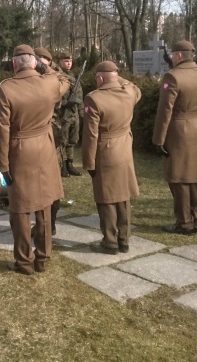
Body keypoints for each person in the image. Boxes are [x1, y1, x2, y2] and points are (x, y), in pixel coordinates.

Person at [0, 45, 70, 275]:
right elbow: (63, 78)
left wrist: (2, 165)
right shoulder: (49, 84)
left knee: (19, 208)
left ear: (15, 63)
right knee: (44, 204)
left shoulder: (6, 88)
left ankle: (24, 261)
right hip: (45, 147)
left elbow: (2, 130)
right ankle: (43, 258)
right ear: (35, 62)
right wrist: (46, 67)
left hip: (20, 150)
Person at [82, 61, 141, 254]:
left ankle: (110, 242)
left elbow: (91, 135)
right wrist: (116, 77)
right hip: (124, 148)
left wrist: (89, 162)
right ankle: (124, 239)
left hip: (105, 150)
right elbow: (134, 86)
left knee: (106, 197)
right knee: (123, 196)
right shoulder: (129, 93)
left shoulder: (94, 99)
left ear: (99, 78)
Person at [152, 40, 197, 235]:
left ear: (177, 55)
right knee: (194, 176)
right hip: (196, 126)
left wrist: (159, 139)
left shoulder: (172, 77)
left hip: (179, 129)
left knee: (178, 177)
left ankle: (184, 222)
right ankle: (195, 217)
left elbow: (164, 111)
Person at [34, 47, 73, 235]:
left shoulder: (54, 79)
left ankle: (50, 223)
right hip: (34, 137)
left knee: (52, 182)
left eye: (42, 59)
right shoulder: (33, 79)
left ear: (49, 62)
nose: (38, 62)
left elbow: (64, 85)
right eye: (35, 59)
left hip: (53, 135)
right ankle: (41, 222)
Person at [54, 51, 83, 177]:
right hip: (63, 114)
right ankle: (61, 165)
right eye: (66, 61)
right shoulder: (57, 77)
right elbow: (55, 97)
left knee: (72, 140)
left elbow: (80, 96)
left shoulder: (74, 77)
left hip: (74, 114)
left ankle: (69, 164)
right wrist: (66, 103)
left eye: (70, 61)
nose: (69, 63)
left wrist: (81, 113)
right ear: (60, 62)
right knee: (62, 141)